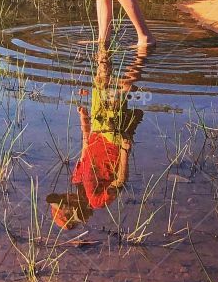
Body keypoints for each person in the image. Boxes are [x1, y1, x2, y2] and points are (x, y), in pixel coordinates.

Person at [48, 43, 148, 228]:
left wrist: (84, 120)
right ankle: (143, 53)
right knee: (122, 87)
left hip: (96, 128)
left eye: (61, 197)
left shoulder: (76, 179)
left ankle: (105, 47)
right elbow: (119, 182)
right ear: (74, 208)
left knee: (100, 79)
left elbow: (85, 148)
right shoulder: (97, 201)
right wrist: (125, 150)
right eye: (64, 200)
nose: (64, 195)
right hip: (113, 138)